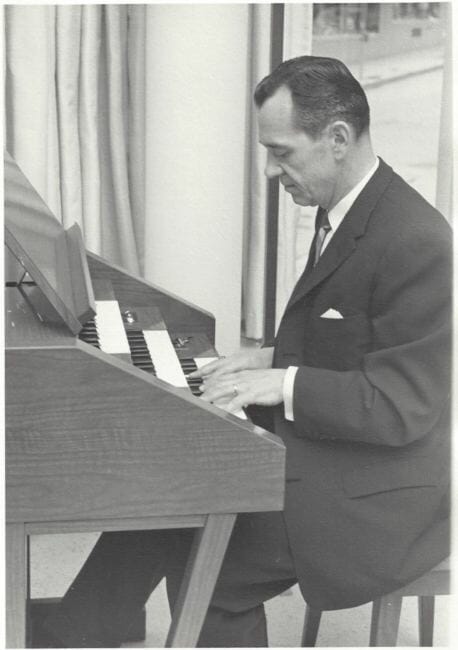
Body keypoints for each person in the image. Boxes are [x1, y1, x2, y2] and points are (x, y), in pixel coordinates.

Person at [44, 55, 451, 647]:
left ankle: (76, 633)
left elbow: (402, 405)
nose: (269, 170)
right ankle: (73, 635)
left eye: (281, 152)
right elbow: (353, 344)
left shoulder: (418, 240)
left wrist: (283, 382)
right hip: (336, 452)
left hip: (381, 495)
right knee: (169, 489)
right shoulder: (347, 208)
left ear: (338, 139)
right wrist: (269, 360)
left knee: (209, 567)